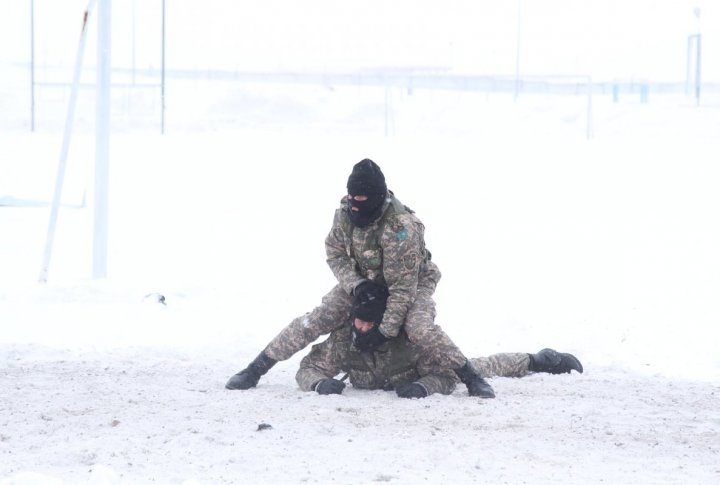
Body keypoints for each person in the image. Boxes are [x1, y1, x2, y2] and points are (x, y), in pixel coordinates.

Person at [226, 158, 495, 397]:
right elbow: (335, 254)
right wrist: (357, 285)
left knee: (418, 327)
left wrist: (382, 332)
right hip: (365, 279)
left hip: (411, 283)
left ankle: (472, 378)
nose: (356, 208)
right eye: (352, 200)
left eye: (362, 203)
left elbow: (402, 290)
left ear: (377, 199)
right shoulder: (344, 214)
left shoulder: (401, 229)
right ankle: (256, 368)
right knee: (320, 316)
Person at [296, 285, 583, 398]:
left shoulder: (407, 340)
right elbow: (307, 368)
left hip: (422, 371)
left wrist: (424, 386)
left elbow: (446, 374)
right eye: (360, 320)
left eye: (371, 322)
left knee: (481, 366)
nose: (363, 327)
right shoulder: (345, 339)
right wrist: (319, 383)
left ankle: (539, 360)